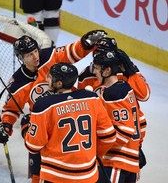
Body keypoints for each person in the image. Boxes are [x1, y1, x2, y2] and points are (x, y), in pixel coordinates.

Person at [0, 29, 107, 182]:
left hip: (68, 115)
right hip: (43, 128)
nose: (35, 57)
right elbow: (10, 109)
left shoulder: (48, 57)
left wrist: (84, 44)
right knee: (38, 174)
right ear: (20, 58)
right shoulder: (17, 84)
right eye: (29, 55)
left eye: (35, 51)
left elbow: (71, 52)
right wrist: (6, 125)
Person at [20, 62, 116, 183]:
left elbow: (33, 146)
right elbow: (109, 136)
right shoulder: (92, 98)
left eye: (51, 77)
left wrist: (26, 129)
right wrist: (92, 157)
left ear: (59, 83)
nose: (47, 79)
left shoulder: (44, 105)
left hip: (56, 177)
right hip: (88, 176)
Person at [78, 37, 149, 169]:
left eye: (105, 53)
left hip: (125, 141)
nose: (100, 57)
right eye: (98, 53)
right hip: (102, 141)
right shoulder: (86, 75)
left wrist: (131, 70)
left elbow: (144, 96)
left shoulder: (126, 71)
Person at [92, 50, 142, 183]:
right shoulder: (126, 88)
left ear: (107, 71)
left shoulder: (112, 94)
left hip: (116, 163)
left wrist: (98, 149)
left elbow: (124, 131)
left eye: (97, 68)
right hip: (129, 161)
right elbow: (141, 122)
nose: (94, 72)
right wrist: (136, 154)